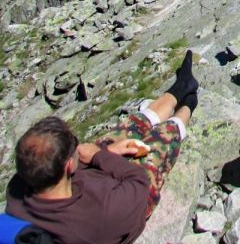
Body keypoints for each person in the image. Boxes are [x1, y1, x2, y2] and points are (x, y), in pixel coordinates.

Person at [6, 51, 199, 244]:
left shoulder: (19, 186)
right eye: (74, 145)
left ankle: (180, 88)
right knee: (161, 140)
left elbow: (58, 162)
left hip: (92, 178)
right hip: (129, 193)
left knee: (126, 129)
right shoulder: (103, 215)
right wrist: (100, 156)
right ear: (68, 166)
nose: (78, 146)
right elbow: (139, 182)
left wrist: (107, 152)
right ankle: (188, 106)